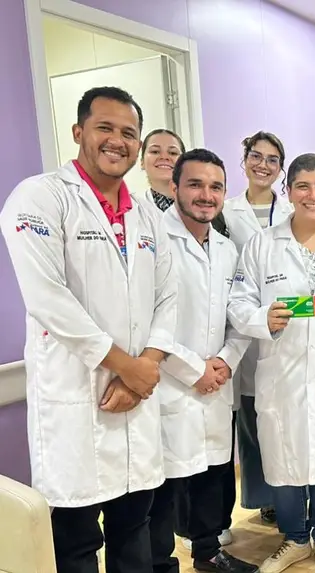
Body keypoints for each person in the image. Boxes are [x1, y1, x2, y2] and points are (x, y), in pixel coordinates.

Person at [0, 86, 178, 573]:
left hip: (136, 395)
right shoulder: (39, 198)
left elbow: (168, 295)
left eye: (129, 132)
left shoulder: (146, 214)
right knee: (76, 539)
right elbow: (48, 299)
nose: (117, 140)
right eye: (105, 127)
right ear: (79, 132)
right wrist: (128, 368)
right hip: (75, 396)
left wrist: (145, 367)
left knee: (134, 527)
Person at [228, 153, 315, 573]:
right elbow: (238, 301)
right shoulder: (262, 244)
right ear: (288, 191)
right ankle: (293, 538)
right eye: (303, 186)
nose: (313, 195)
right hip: (282, 371)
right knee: (284, 457)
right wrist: (262, 318)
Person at [148, 149, 256, 573]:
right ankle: (160, 563)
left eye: (215, 187)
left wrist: (226, 361)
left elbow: (241, 313)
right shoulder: (153, 240)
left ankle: (208, 552)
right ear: (174, 187)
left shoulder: (228, 250)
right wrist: (195, 370)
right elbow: (145, 321)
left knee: (213, 474)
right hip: (168, 382)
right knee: (165, 486)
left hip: (216, 383)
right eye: (195, 184)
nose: (206, 195)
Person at [222, 131, 293, 526]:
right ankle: (265, 497)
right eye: (256, 156)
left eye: (272, 159)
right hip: (242, 326)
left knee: (284, 418)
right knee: (251, 419)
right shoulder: (225, 211)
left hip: (287, 326)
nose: (263, 165)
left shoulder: (292, 211)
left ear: (281, 168)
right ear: (245, 160)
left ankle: (291, 493)